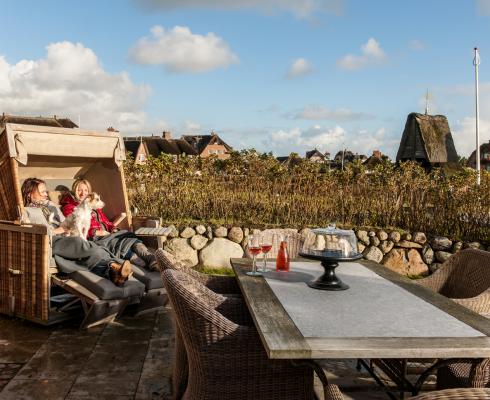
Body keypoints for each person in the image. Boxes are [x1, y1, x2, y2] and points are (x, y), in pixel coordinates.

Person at [21, 178, 132, 286]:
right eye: (42, 192)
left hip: (65, 236)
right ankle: (116, 263)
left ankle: (114, 273)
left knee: (89, 251)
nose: (46, 194)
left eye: (46, 191)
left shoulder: (51, 205)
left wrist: (69, 227)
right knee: (79, 242)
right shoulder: (26, 211)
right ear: (29, 194)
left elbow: (65, 222)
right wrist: (56, 230)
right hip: (50, 241)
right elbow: (31, 233)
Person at [59, 179, 158, 270]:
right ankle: (145, 265)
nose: (83, 193)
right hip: (94, 238)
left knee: (128, 237)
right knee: (117, 245)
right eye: (79, 190)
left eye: (85, 190)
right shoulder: (70, 207)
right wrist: (95, 232)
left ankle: (152, 259)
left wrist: (113, 228)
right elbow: (75, 226)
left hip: (107, 233)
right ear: (74, 191)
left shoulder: (94, 206)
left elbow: (106, 221)